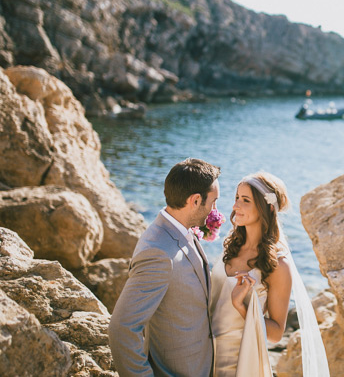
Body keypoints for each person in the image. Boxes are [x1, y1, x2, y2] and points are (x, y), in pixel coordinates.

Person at [209, 172, 329, 377]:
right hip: (205, 354)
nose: (235, 206)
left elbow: (275, 333)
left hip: (239, 362)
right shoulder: (230, 245)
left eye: (245, 200)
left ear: (266, 208)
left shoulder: (278, 265)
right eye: (237, 198)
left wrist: (242, 306)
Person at [109, 158, 220, 376]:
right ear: (195, 201)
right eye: (213, 202)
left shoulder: (181, 230)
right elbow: (122, 328)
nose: (215, 210)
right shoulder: (157, 253)